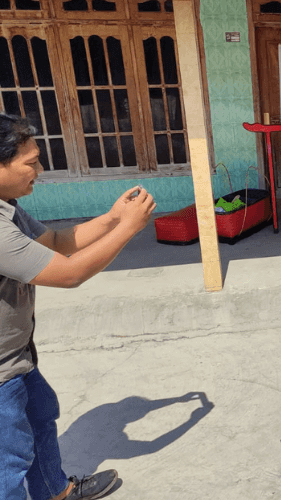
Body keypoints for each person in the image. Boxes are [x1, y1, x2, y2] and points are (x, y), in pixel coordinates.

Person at [0, 113, 156, 499]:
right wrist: (129, 228)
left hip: (16, 357)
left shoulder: (9, 207)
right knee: (9, 465)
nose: (40, 168)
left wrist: (112, 218)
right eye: (30, 162)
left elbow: (54, 242)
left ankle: (57, 492)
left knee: (40, 418)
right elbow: (69, 273)